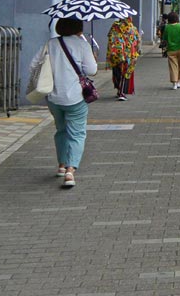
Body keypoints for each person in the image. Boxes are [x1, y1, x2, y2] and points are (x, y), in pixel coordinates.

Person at [28, 17, 97, 188]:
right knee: (77, 133)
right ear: (79, 28)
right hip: (75, 98)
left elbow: (33, 66)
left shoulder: (50, 44)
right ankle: (70, 171)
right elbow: (92, 70)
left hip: (53, 97)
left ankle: (61, 165)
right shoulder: (83, 45)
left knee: (61, 130)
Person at [107, 17, 141, 101]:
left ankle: (119, 90)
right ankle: (122, 92)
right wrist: (137, 51)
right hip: (129, 55)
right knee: (125, 74)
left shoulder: (114, 27)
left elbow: (110, 38)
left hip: (116, 55)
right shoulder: (132, 28)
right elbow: (138, 41)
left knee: (117, 72)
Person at [162, 11, 180, 90]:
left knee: (173, 66)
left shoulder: (167, 27)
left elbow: (164, 38)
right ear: (177, 18)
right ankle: (179, 82)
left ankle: (174, 83)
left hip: (171, 50)